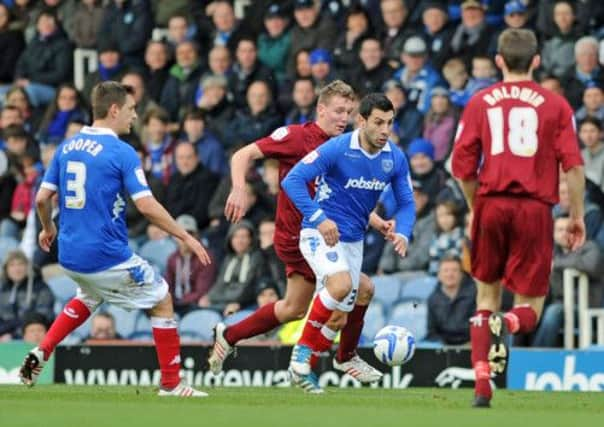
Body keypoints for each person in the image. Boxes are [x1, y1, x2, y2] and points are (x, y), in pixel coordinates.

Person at [18, 81, 212, 398]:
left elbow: (41, 198)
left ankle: (44, 350)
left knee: (89, 295)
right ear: (114, 110)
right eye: (132, 110)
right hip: (104, 253)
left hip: (68, 254)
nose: (134, 117)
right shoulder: (122, 152)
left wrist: (47, 228)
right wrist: (185, 236)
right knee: (162, 298)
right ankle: (172, 384)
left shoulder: (67, 146)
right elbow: (146, 205)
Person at [209, 81, 390, 385]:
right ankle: (330, 362)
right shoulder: (295, 137)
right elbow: (241, 155)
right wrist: (239, 189)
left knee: (294, 308)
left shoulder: (346, 146)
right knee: (354, 290)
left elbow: (344, 196)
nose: (344, 117)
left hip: (327, 235)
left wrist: (374, 220)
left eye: (349, 111)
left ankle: (229, 335)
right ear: (321, 110)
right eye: (338, 111)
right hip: (298, 237)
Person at [451, 28, 586, 408]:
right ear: (537, 61)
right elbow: (573, 167)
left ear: (498, 60)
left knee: (485, 295)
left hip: (491, 202)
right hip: (533, 207)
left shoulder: (479, 102)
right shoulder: (556, 106)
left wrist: (475, 205)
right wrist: (576, 215)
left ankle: (481, 381)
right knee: (531, 302)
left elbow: (460, 167)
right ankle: (508, 324)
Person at [281, 92, 415, 392]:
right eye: (378, 123)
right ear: (362, 120)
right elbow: (291, 180)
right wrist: (319, 217)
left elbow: (406, 202)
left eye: (390, 123)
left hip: (353, 240)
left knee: (357, 299)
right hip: (319, 233)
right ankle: (301, 354)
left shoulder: (394, 157)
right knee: (340, 286)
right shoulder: (338, 148)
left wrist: (403, 231)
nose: (384, 130)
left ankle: (344, 357)